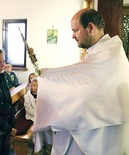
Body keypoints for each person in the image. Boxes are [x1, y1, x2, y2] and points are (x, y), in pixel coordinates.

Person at [32, 8, 129, 155]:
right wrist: (48, 75)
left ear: (90, 27)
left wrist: (47, 83)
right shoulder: (102, 51)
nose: (73, 35)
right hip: (93, 129)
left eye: (76, 30)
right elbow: (79, 73)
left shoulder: (110, 54)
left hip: (99, 135)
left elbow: (85, 88)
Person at [24, 78, 52, 155]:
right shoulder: (27, 96)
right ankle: (38, 149)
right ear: (31, 86)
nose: (36, 87)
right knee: (38, 129)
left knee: (47, 127)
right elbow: (29, 109)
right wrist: (39, 115)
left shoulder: (42, 96)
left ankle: (48, 146)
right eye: (34, 85)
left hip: (41, 117)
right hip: (31, 117)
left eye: (37, 85)